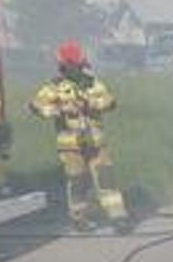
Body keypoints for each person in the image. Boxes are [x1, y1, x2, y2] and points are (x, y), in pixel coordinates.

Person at [31, 41, 129, 231]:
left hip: (96, 143)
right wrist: (58, 109)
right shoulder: (55, 86)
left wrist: (92, 103)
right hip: (71, 146)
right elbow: (35, 106)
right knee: (78, 181)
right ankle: (79, 218)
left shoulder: (93, 83)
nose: (77, 68)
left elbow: (110, 102)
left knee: (106, 179)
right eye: (72, 65)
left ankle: (118, 216)